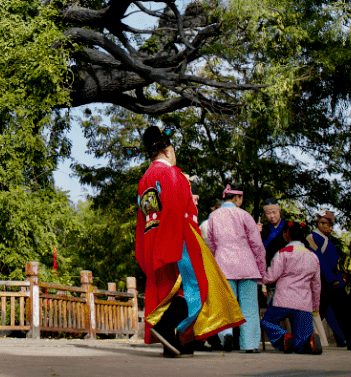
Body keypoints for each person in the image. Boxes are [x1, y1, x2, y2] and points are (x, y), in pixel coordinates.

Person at [134, 125, 244, 358]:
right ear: (167, 150)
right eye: (173, 150)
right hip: (178, 237)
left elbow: (143, 217)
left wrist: (149, 249)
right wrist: (172, 245)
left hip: (154, 237)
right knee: (195, 286)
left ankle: (175, 343)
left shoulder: (144, 180)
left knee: (169, 290)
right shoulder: (170, 174)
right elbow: (174, 209)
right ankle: (166, 327)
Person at [205, 184, 266, 353]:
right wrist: (261, 270)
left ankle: (226, 334)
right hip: (247, 264)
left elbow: (211, 243)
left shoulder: (213, 217)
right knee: (249, 307)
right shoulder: (245, 215)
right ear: (238, 198)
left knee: (226, 304)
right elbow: (257, 245)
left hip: (224, 264)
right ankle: (250, 344)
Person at [307, 210, 351, 351]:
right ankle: (304, 339)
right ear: (320, 223)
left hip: (334, 281)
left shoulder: (326, 239)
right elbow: (320, 260)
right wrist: (330, 279)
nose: (330, 228)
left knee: (346, 313)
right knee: (317, 313)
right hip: (324, 283)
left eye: (331, 225)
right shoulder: (313, 238)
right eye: (327, 225)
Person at [260, 221, 323, 354]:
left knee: (267, 321)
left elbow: (271, 277)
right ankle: (309, 343)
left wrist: (259, 278)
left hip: (283, 299)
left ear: (287, 235)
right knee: (302, 338)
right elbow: (316, 285)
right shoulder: (313, 257)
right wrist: (315, 307)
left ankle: (283, 337)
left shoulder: (283, 253)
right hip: (304, 303)